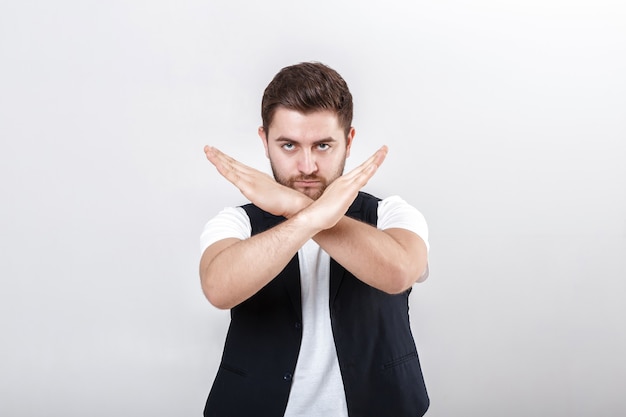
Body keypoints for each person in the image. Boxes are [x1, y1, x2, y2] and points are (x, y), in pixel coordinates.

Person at [200, 62, 430, 417]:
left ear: (348, 141)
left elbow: (399, 272)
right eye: (289, 145)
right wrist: (307, 214)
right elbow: (218, 287)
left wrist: (294, 207)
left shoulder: (392, 214)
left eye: (323, 145)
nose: (306, 166)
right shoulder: (235, 221)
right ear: (264, 142)